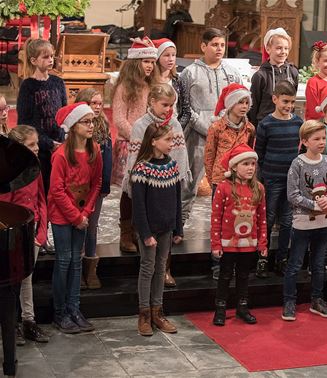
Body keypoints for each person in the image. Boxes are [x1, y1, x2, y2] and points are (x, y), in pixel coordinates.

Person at [123, 83, 191, 288]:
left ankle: (166, 269)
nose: (168, 110)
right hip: (148, 186)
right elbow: (135, 157)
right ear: (152, 102)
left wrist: (176, 176)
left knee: (166, 234)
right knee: (149, 240)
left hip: (168, 185)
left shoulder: (175, 124)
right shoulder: (141, 125)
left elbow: (179, 154)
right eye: (164, 105)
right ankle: (147, 276)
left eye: (171, 105)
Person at [49, 103, 102, 333]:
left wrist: (86, 212)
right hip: (62, 215)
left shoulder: (95, 151)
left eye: (92, 121)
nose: (91, 126)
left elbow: (96, 184)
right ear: (73, 126)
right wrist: (75, 217)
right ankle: (59, 313)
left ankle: (74, 308)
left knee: (77, 262)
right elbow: (56, 191)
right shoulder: (61, 155)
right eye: (86, 121)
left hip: (81, 215)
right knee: (64, 261)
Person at [179, 27, 242, 219]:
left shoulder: (232, 72)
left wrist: (224, 126)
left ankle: (224, 223)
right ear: (203, 46)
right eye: (214, 45)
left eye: (222, 45)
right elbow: (185, 107)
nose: (219, 49)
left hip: (225, 135)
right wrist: (206, 127)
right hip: (198, 134)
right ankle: (180, 222)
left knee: (225, 181)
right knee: (189, 181)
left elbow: (238, 102)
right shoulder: (189, 73)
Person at [283, 120, 327, 321]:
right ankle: (289, 300)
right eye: (316, 139)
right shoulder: (297, 163)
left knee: (318, 264)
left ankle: (317, 299)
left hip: (323, 222)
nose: (322, 142)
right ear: (305, 141)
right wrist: (315, 205)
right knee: (295, 263)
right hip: (303, 222)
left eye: (323, 138)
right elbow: (293, 194)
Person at [130, 122, 182, 336]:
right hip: (149, 230)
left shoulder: (172, 166)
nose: (172, 143)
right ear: (153, 141)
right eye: (167, 140)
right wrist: (145, 233)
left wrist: (178, 228)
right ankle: (144, 314)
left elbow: (177, 200)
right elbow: (138, 206)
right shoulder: (142, 168)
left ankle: (157, 311)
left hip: (166, 228)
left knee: (161, 268)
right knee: (147, 267)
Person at [0, 126, 49, 343]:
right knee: (14, 282)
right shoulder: (11, 173)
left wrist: (41, 232)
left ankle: (30, 322)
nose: (37, 148)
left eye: (36, 143)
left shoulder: (33, 168)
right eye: (31, 145)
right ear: (19, 148)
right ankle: (13, 324)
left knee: (27, 279)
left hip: (33, 231)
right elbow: (6, 208)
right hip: (15, 233)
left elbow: (41, 200)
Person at [211, 144, 268, 326]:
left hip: (248, 243)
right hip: (228, 243)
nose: (251, 167)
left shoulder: (258, 188)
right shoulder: (223, 188)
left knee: (244, 275)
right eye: (246, 164)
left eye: (253, 164)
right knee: (225, 275)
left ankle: (242, 307)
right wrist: (216, 244)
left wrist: (262, 243)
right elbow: (215, 218)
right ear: (234, 167)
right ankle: (220, 308)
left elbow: (262, 218)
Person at [112, 36, 158, 253]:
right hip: (130, 145)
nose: (150, 66)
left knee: (145, 191)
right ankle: (125, 233)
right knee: (128, 193)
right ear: (134, 63)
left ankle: (141, 229)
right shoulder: (124, 87)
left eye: (152, 62)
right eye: (145, 61)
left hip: (150, 146)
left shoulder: (152, 86)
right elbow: (120, 120)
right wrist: (139, 138)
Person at [254, 80, 302, 278]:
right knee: (268, 218)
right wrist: (264, 175)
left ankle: (282, 258)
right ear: (275, 99)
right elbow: (259, 153)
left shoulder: (298, 122)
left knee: (288, 221)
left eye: (292, 102)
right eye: (285, 101)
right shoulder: (266, 124)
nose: (289, 106)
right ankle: (262, 258)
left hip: (291, 181)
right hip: (272, 179)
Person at [17, 38, 67, 193]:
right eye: (45, 57)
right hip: (40, 147)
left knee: (59, 187)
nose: (50, 60)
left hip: (59, 144)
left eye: (52, 56)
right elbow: (24, 123)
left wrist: (63, 137)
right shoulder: (27, 86)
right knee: (44, 188)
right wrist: (47, 143)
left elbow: (64, 112)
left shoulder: (58, 82)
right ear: (33, 60)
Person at [74, 89, 112, 290]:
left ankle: (91, 269)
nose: (97, 107)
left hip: (97, 186)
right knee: (79, 224)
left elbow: (107, 157)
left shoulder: (103, 125)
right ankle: (77, 270)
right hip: (79, 186)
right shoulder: (76, 128)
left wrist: (105, 184)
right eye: (93, 103)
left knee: (92, 227)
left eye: (100, 103)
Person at [204, 83, 255, 193]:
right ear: (231, 104)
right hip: (219, 179)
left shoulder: (250, 128)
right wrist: (211, 179)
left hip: (241, 179)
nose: (244, 106)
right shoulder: (216, 127)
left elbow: (250, 152)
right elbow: (209, 155)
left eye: (247, 103)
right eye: (240, 102)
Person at [249, 28, 298, 127]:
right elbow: (253, 105)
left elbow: (293, 99)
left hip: (287, 124)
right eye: (279, 48)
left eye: (286, 48)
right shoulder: (260, 76)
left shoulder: (293, 72)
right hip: (265, 125)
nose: (283, 52)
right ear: (268, 49)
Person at [152, 38, 190, 127]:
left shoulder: (178, 80)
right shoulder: (150, 80)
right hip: (152, 129)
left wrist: (177, 128)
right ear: (158, 57)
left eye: (173, 55)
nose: (171, 59)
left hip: (174, 128)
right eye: (166, 55)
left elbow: (186, 111)